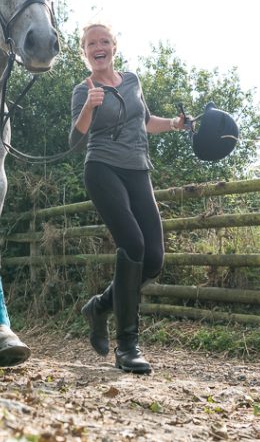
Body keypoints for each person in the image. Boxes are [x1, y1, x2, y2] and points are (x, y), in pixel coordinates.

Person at [70, 22, 186, 374]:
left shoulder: (133, 80)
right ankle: (128, 345)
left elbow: (146, 120)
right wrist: (89, 107)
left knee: (153, 260)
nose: (98, 47)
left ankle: (100, 306)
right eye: (91, 43)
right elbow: (75, 141)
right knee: (132, 245)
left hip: (138, 169)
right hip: (102, 167)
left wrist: (175, 124)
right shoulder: (83, 89)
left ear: (114, 47)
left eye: (104, 40)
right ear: (85, 53)